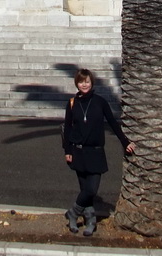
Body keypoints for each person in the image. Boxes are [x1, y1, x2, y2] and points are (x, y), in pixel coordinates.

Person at [62, 68, 135, 237]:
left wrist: (125, 142)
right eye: (81, 82)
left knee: (91, 190)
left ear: (92, 82)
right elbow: (68, 129)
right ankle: (90, 220)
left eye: (87, 81)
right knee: (84, 190)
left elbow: (113, 123)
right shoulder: (72, 103)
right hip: (78, 151)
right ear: (77, 84)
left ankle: (73, 213)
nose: (84, 85)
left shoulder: (100, 102)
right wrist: (67, 150)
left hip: (96, 152)